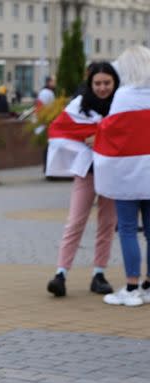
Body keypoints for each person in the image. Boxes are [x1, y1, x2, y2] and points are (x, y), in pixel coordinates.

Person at [45, 62, 120, 298]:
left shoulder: (122, 104)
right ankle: (60, 274)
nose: (102, 88)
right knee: (75, 222)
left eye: (107, 82)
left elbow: (127, 133)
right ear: (90, 84)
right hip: (86, 171)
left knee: (107, 224)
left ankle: (99, 274)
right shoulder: (79, 105)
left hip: (112, 171)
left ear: (115, 83)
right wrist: (88, 139)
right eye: (97, 83)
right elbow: (60, 130)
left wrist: (98, 137)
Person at [94, 46, 150, 307]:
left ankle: (131, 287)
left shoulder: (124, 96)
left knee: (127, 229)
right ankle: (148, 285)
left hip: (128, 174)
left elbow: (110, 131)